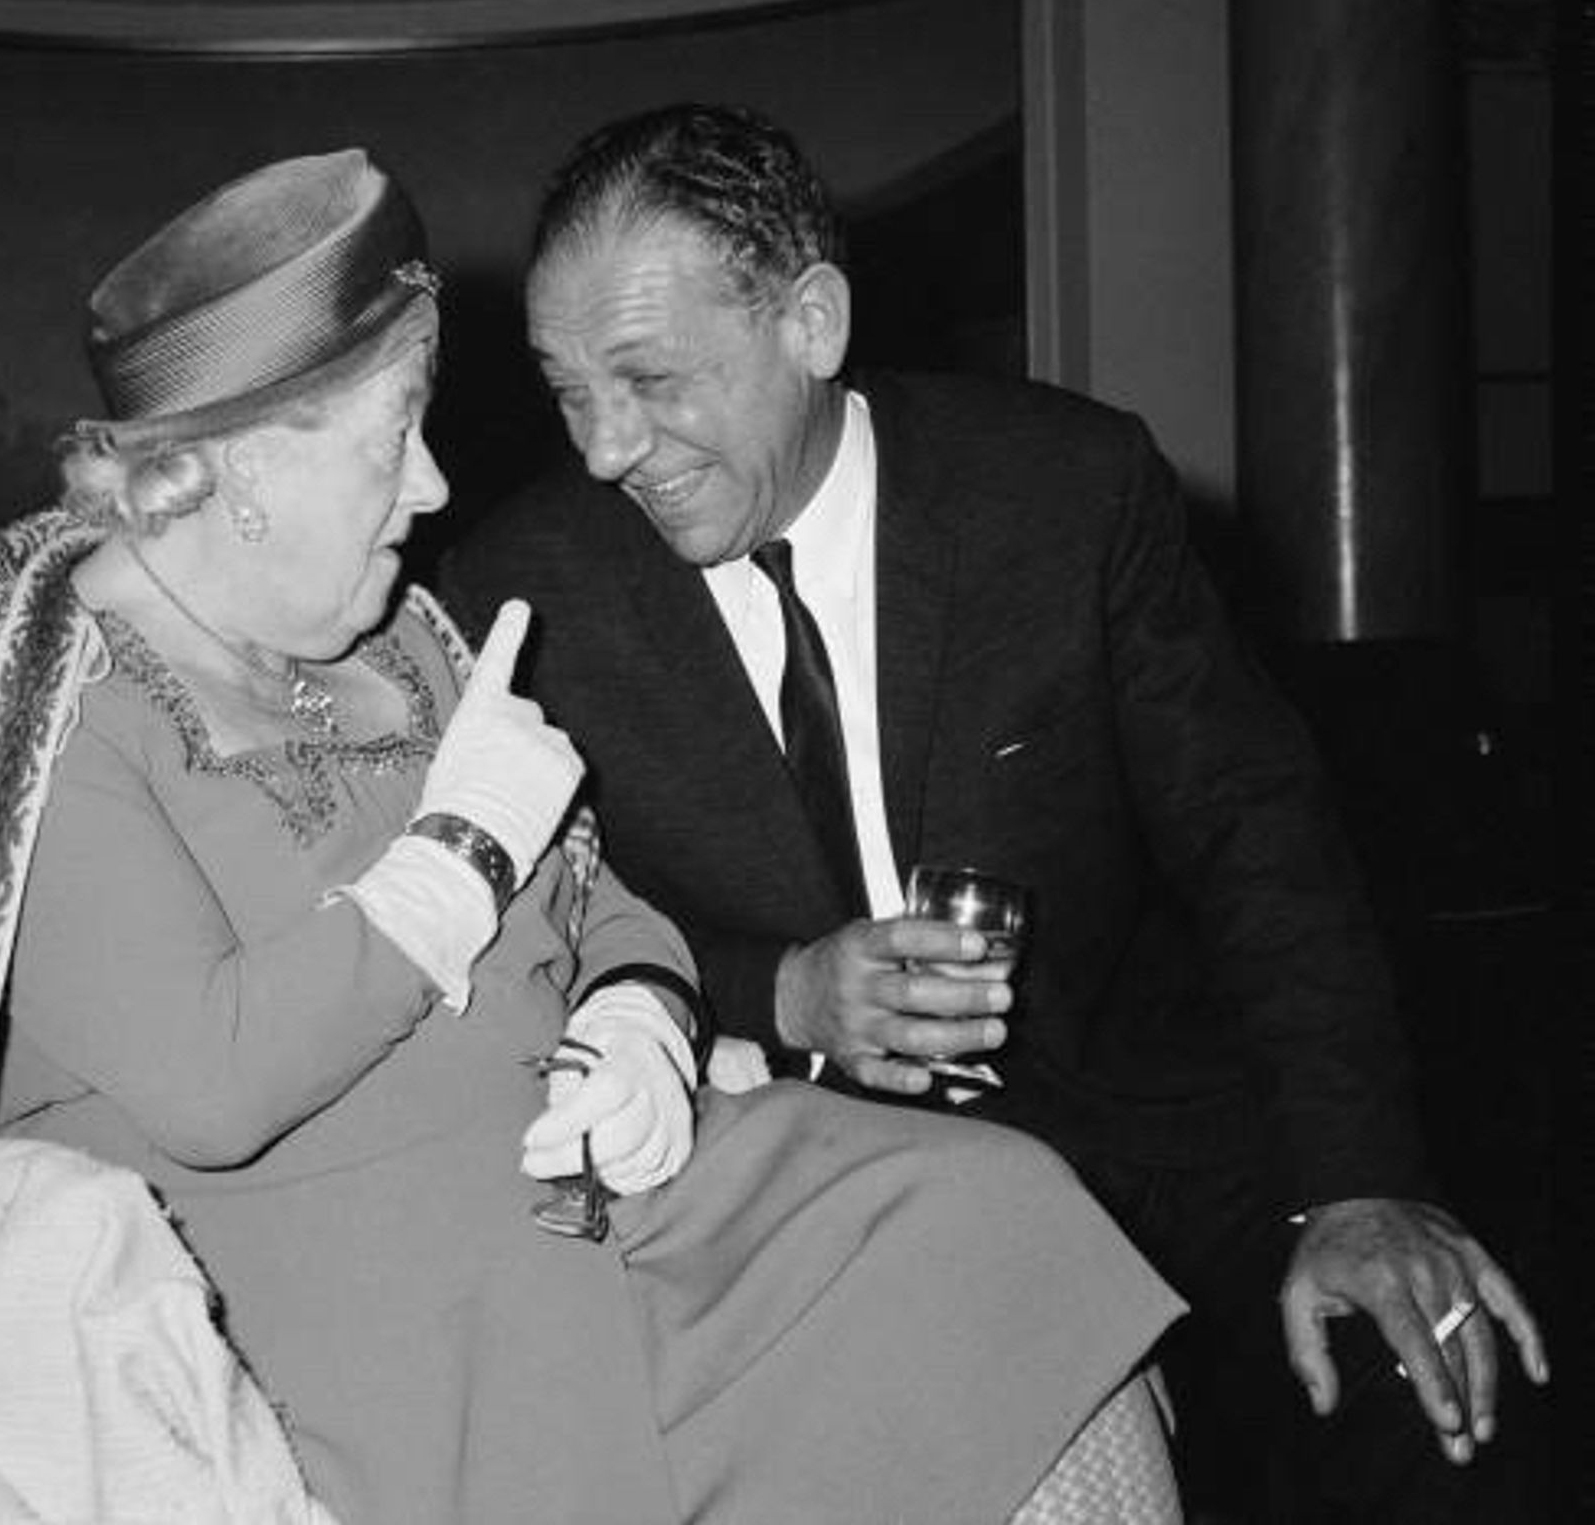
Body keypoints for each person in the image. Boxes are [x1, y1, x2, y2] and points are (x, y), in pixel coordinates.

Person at [0, 148, 1185, 1525]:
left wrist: (639, 1013)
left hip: (614, 1203)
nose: (435, 487)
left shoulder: (414, 644)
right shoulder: (44, 718)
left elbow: (597, 891)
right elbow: (214, 1082)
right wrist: (461, 856)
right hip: (357, 1302)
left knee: (995, 1220)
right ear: (245, 466)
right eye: (394, 439)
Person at [440, 102, 1550, 1523]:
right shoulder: (524, 601)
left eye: (649, 380)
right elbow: (528, 942)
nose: (604, 449)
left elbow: (1263, 849)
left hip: (1136, 1122)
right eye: (567, 389)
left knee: (1430, 1371)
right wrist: (781, 989)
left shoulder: (1066, 493)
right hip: (802, 1175)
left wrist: (1362, 1184)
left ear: (812, 323)